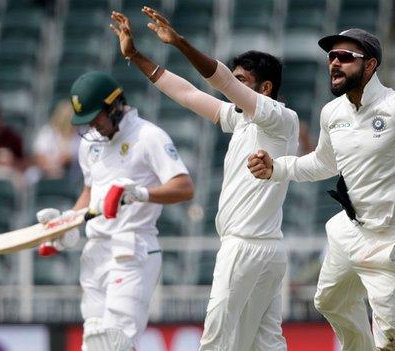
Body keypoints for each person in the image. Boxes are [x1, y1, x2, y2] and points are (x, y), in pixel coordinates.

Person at [247, 28, 395, 351]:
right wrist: (277, 168)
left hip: (393, 242)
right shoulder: (332, 113)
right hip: (350, 232)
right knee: (328, 299)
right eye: (331, 57)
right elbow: (324, 164)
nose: (334, 64)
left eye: (345, 58)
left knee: (393, 343)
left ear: (370, 66)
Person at [110, 7, 299, 351]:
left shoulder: (279, 118)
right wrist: (136, 56)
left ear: (266, 87)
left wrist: (180, 43)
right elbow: (187, 94)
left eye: (244, 81)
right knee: (267, 344)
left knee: (215, 341)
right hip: (265, 249)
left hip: (245, 247)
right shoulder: (242, 119)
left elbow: (221, 80)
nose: (234, 88)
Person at [36, 71, 194, 350]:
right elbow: (90, 191)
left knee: (114, 344)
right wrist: (66, 222)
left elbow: (184, 187)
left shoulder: (148, 136)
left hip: (132, 249)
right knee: (94, 341)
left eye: (96, 118)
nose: (94, 127)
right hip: (95, 252)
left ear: (115, 105)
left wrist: (141, 194)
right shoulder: (91, 145)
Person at [32, 99, 80, 180]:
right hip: (46, 173)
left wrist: (65, 160)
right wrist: (53, 166)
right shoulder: (47, 132)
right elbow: (39, 157)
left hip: (72, 174)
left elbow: (73, 158)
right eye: (64, 116)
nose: (66, 119)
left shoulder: (80, 135)